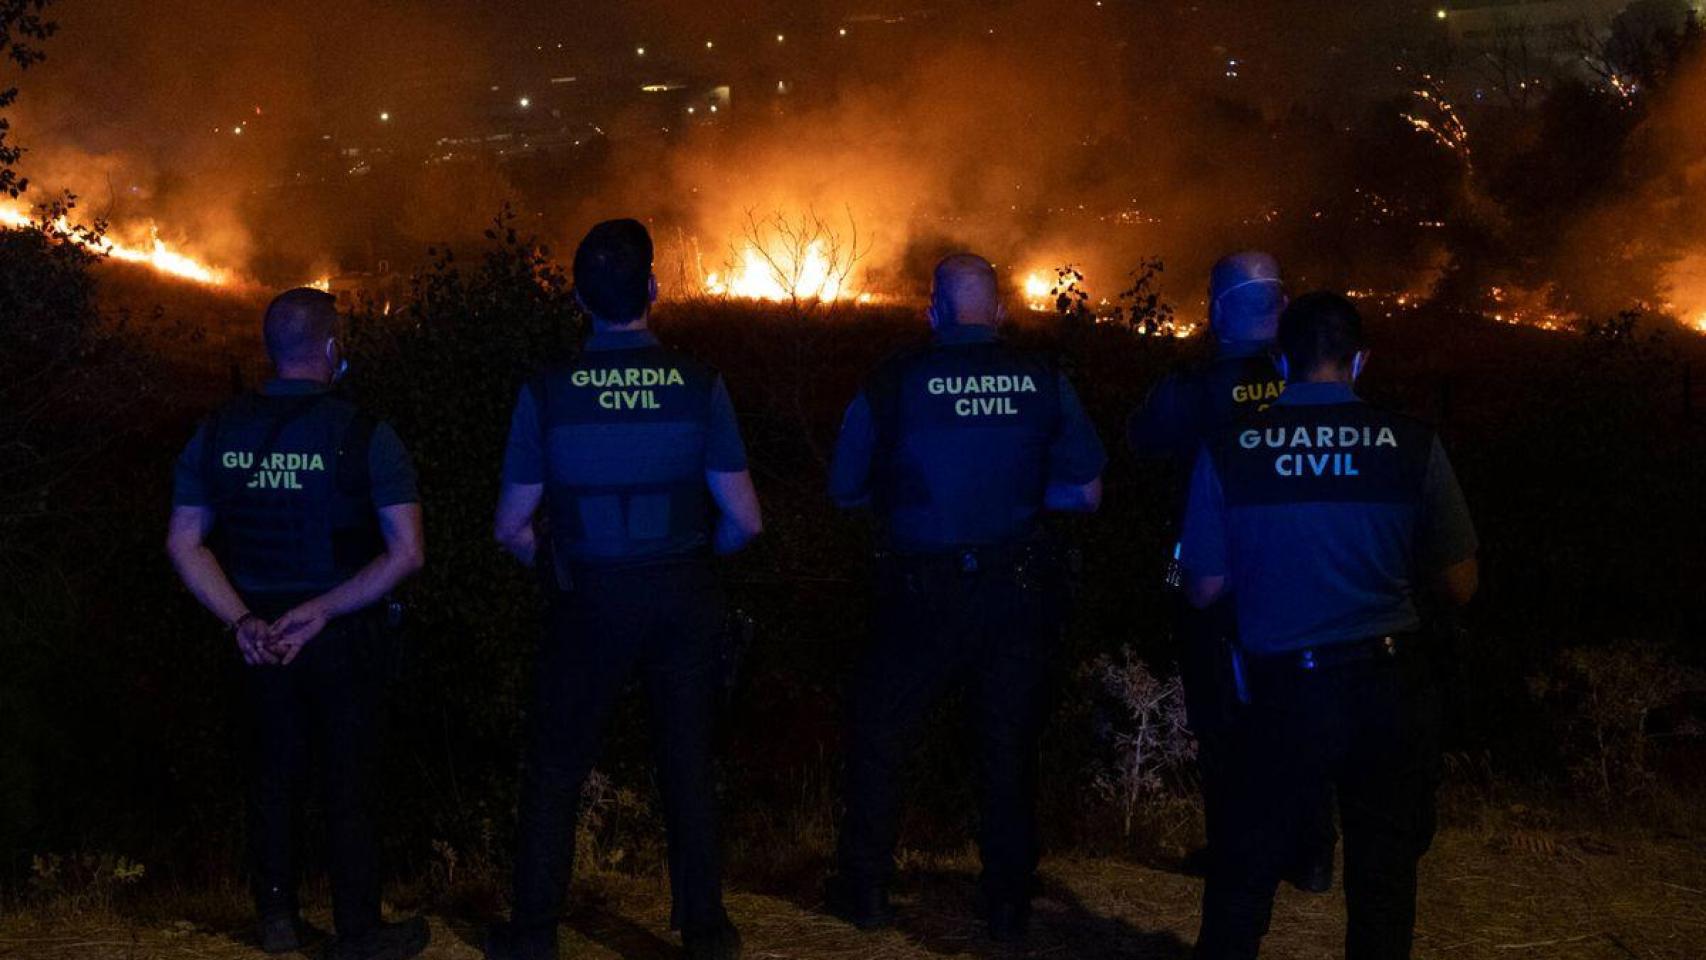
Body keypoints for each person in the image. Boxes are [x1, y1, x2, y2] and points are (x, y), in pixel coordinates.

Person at [486, 219, 762, 960]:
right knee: (688, 763)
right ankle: (706, 930)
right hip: (681, 597)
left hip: (587, 599)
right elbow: (744, 519)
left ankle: (534, 934)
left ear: (578, 299)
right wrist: (693, 562)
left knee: (554, 768)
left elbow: (511, 527)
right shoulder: (701, 385)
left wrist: (565, 568)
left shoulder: (545, 393)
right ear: (653, 291)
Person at [1179, 291, 1479, 958]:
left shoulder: (1230, 449)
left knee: (1243, 868)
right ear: (1360, 360)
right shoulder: (1413, 445)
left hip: (1281, 690)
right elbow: (1461, 583)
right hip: (1390, 686)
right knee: (1384, 877)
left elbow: (1201, 587)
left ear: (1281, 361)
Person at [825, 254, 1106, 943]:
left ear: (933, 312)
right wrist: (1012, 497)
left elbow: (844, 488)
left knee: (880, 736)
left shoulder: (892, 382)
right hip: (1014, 592)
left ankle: (865, 890)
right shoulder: (1044, 379)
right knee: (1007, 747)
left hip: (919, 595)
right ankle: (1007, 901)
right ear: (1001, 312)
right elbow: (1087, 490)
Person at [165, 288, 430, 960]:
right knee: (350, 781)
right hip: (340, 636)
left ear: (271, 349)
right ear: (334, 349)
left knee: (271, 775)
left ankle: (276, 918)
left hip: (258, 639)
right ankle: (358, 931)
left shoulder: (218, 430)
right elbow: (406, 552)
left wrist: (243, 622)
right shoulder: (367, 433)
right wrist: (326, 609)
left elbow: (184, 542)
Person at [1129, 252, 1337, 894]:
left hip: (1210, 580)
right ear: (1281, 306)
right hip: (1312, 579)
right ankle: (1312, 853)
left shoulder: (1186, 391)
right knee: (1306, 711)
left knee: (1220, 718)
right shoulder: (1316, 385)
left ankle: (1236, 853)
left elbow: (1139, 447)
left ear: (1216, 310)